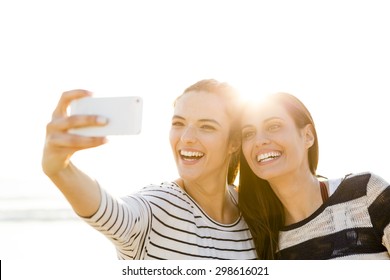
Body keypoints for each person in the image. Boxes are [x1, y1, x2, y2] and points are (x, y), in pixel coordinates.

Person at [42, 79, 256, 260]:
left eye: (206, 127)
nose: (186, 138)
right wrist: (60, 170)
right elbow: (113, 213)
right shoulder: (156, 209)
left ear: (234, 142)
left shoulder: (254, 212)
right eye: (178, 123)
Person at [238, 92, 390, 260]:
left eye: (274, 126)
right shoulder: (263, 243)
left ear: (308, 136)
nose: (259, 140)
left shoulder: (365, 193)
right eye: (248, 133)